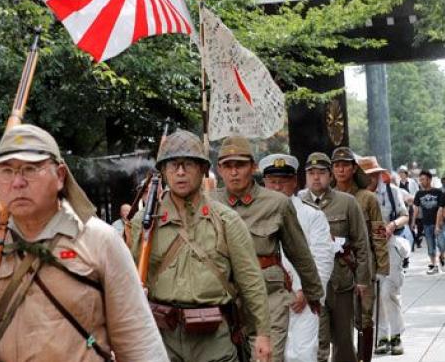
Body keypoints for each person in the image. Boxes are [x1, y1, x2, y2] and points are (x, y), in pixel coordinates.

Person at [0, 124, 168, 362]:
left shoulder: (101, 241)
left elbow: (139, 342)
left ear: (60, 176)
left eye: (30, 169)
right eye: (6, 170)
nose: (17, 182)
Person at [131, 130, 271, 362]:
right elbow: (125, 282)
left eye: (188, 164)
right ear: (164, 172)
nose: (181, 172)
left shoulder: (226, 220)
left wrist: (263, 335)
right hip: (161, 336)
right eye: (173, 165)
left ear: (203, 169)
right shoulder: (144, 224)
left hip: (213, 337)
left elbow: (251, 282)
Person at [214, 135, 324, 362]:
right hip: (223, 299)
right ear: (219, 169)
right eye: (228, 166)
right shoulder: (207, 204)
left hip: (269, 297)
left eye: (240, 165)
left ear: (252, 166)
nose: (234, 172)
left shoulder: (277, 203)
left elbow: (299, 253)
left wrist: (313, 294)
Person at [258, 153, 334, 362]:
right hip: (266, 297)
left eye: (283, 181)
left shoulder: (312, 215)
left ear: (294, 182)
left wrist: (306, 291)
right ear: (264, 183)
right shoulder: (254, 214)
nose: (277, 187)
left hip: (303, 299)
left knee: (302, 354)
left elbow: (322, 259)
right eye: (273, 182)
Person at [299, 152, 371, 362]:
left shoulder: (347, 202)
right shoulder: (296, 203)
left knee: (344, 342)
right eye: (311, 173)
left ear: (330, 175)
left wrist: (362, 279)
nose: (316, 177)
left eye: (321, 172)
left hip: (342, 281)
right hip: (311, 284)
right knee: (315, 341)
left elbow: (361, 242)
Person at [331, 147, 388, 362]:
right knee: (340, 322)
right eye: (336, 165)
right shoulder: (328, 198)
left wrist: (382, 268)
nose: (341, 169)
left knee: (364, 318)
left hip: (363, 265)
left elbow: (379, 234)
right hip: (336, 269)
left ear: (354, 168)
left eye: (345, 165)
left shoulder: (368, 198)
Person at [359, 156, 410, 356]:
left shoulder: (392, 192)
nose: (372, 179)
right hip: (366, 249)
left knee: (389, 291)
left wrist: (392, 225)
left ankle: (396, 335)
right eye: (368, 175)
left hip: (388, 246)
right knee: (373, 295)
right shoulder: (357, 195)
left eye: (375, 174)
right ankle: (381, 336)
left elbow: (405, 215)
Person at [415, 170, 445, 274]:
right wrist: (413, 223)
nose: (421, 182)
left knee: (442, 243)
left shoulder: (438, 192)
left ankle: (442, 256)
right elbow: (416, 208)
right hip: (426, 223)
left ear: (429, 179)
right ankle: (434, 265)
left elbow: (442, 208)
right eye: (420, 180)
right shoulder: (419, 193)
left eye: (423, 179)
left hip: (439, 223)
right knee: (430, 246)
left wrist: (440, 222)